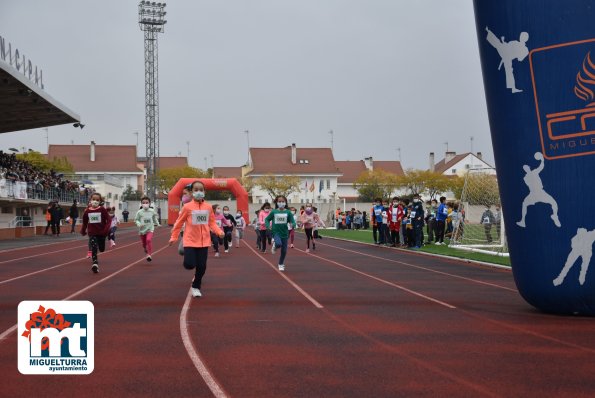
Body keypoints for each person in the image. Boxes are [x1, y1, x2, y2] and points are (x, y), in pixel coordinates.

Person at [169, 180, 224, 298]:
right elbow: (179, 222)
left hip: (204, 242)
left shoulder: (208, 207)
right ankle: (188, 260)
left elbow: (212, 223)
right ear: (192, 192)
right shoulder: (187, 207)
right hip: (190, 240)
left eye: (201, 190)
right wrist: (174, 237)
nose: (199, 192)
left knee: (202, 267)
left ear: (205, 191)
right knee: (189, 264)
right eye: (196, 190)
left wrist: (219, 232)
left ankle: (196, 286)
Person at [81, 193, 111, 273]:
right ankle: (95, 263)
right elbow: (84, 222)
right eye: (93, 199)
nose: (95, 201)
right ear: (90, 200)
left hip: (101, 233)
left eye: (97, 200)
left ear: (100, 201)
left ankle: (97, 257)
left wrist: (106, 230)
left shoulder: (102, 210)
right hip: (92, 233)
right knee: (93, 246)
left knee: (101, 249)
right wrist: (83, 230)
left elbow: (109, 220)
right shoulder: (87, 211)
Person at [265, 195, 297, 271]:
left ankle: (281, 263)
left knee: (284, 250)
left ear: (285, 202)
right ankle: (275, 245)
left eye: (283, 201)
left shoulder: (288, 212)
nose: (281, 203)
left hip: (285, 233)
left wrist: (293, 224)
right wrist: (268, 226)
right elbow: (267, 219)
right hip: (275, 232)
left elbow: (292, 221)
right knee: (279, 244)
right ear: (277, 202)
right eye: (279, 201)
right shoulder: (274, 211)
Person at [135, 197, 160, 261]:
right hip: (142, 230)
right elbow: (136, 220)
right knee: (144, 244)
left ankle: (149, 255)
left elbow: (154, 218)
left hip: (150, 229)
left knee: (148, 240)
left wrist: (157, 223)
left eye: (146, 202)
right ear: (141, 204)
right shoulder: (139, 212)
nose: (145, 204)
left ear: (149, 203)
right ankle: (145, 248)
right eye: (143, 203)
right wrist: (139, 224)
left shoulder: (152, 211)